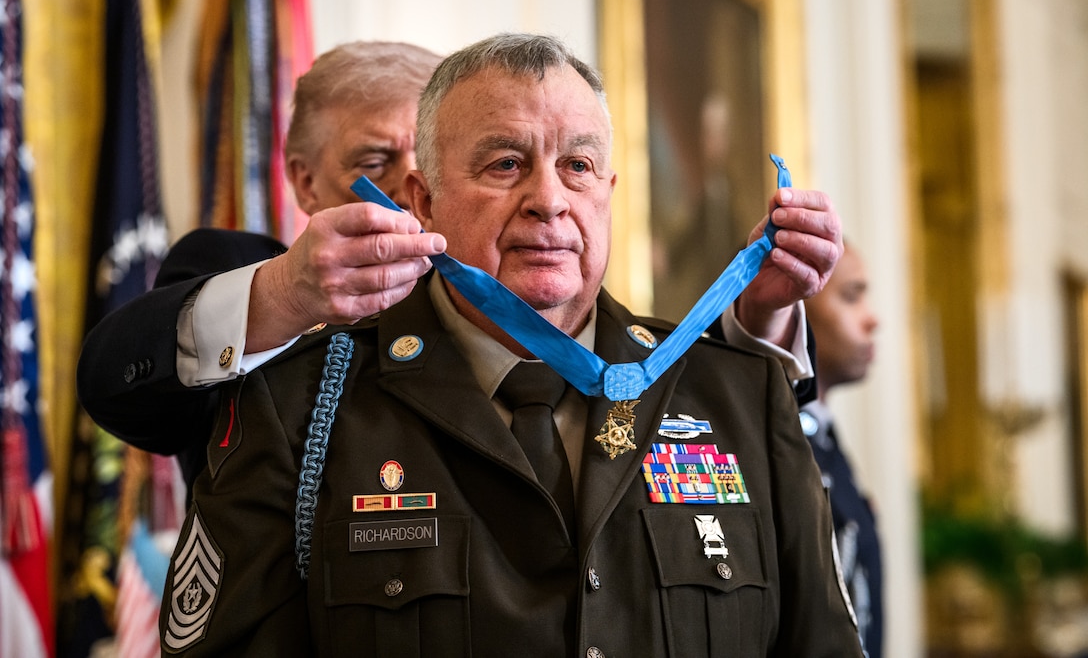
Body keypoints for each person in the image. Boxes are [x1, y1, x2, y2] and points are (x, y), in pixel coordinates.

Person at [148, 33, 862, 656]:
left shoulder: (738, 391)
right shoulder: (298, 406)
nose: (550, 199)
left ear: (609, 190)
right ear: (422, 202)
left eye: (577, 165)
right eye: (505, 164)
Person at [76, 41, 444, 474]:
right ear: (306, 183)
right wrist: (284, 293)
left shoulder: (494, 286)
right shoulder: (230, 263)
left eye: (431, 159)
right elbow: (111, 387)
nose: (410, 187)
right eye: (375, 161)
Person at [799, 242, 883, 657]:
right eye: (852, 296)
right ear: (795, 308)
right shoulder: (786, 450)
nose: (873, 319)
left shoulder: (825, 441)